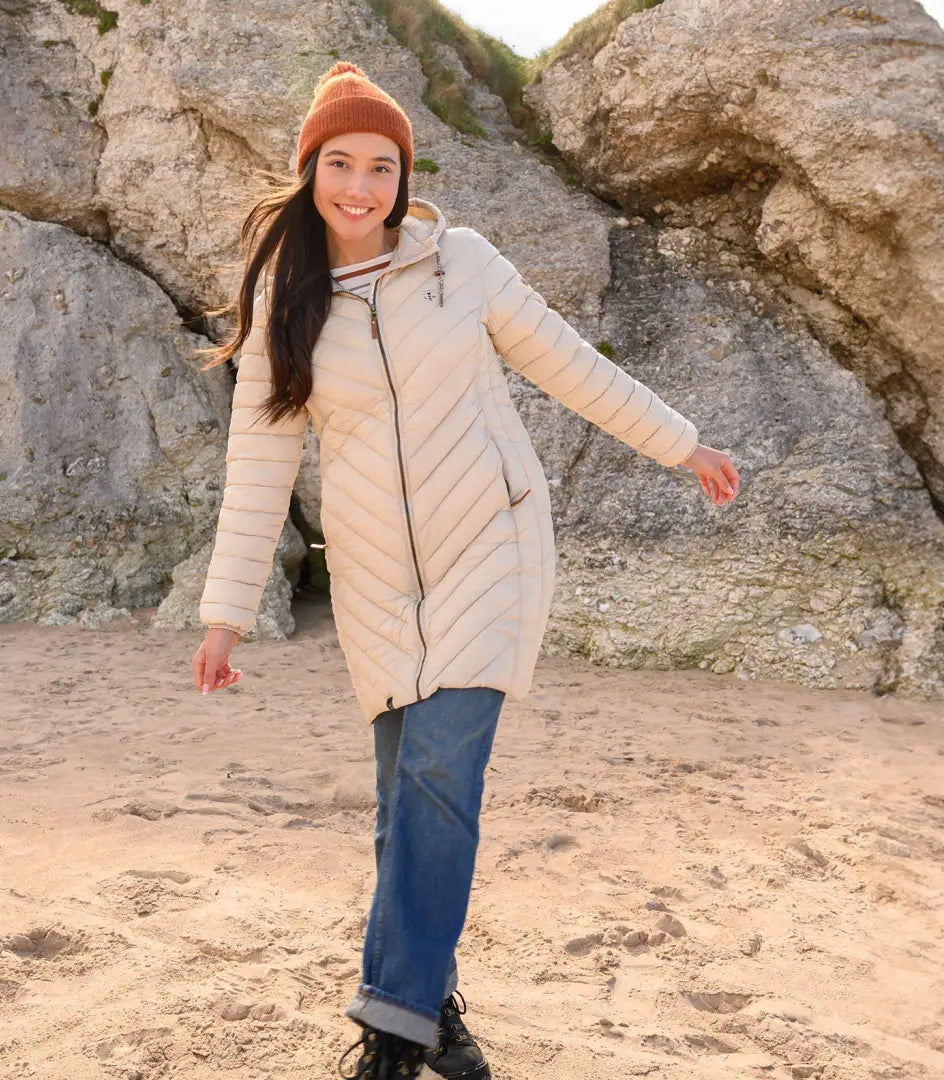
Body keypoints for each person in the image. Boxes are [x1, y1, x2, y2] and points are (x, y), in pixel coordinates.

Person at [191, 61, 739, 1080]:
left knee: (443, 770)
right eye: (341, 164)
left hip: (491, 545)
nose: (361, 186)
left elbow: (571, 364)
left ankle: (390, 1036)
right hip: (372, 578)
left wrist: (681, 442)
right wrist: (226, 613)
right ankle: (432, 1009)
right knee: (407, 798)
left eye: (383, 167)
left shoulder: (467, 264)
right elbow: (259, 465)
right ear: (311, 170)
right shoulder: (286, 303)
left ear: (406, 176)